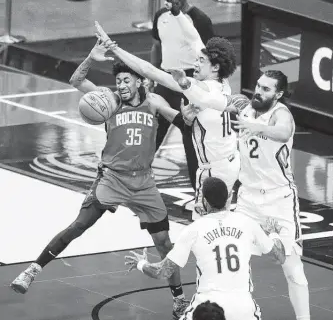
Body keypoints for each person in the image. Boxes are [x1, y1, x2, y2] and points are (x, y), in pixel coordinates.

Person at [10, 40, 188, 319]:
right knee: (79, 225)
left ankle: (179, 299)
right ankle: (32, 270)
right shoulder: (109, 101)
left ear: (141, 81)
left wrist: (190, 109)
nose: (121, 85)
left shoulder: (154, 102)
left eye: (126, 80)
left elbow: (182, 121)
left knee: (164, 242)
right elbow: (76, 79)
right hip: (112, 179)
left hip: (143, 182)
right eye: (118, 80)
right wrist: (91, 58)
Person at [177, 70, 311, 320]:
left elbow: (283, 132)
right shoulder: (244, 105)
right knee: (227, 248)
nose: (259, 92)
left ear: (279, 94)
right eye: (258, 86)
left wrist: (254, 126)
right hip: (248, 197)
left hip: (279, 199)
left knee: (292, 268)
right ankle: (225, 311)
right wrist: (185, 87)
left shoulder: (281, 113)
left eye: (266, 89)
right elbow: (210, 101)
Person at [94, 22, 242, 220]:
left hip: (213, 170)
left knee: (203, 227)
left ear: (215, 67)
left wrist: (114, 48)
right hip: (231, 163)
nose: (194, 63)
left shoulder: (201, 89)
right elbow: (194, 40)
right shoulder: (222, 82)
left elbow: (149, 71)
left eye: (200, 61)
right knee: (222, 219)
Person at [125, 177, 286, 320]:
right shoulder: (247, 222)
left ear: (205, 201)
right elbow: (280, 257)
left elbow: (162, 271)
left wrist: (141, 264)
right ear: (229, 197)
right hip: (244, 308)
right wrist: (274, 235)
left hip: (207, 307)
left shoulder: (194, 229)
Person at [152, 0, 214, 191]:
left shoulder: (200, 20)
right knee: (152, 130)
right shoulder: (160, 15)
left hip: (189, 84)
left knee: (191, 139)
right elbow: (157, 45)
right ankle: (133, 178)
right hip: (164, 80)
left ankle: (200, 192)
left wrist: (204, 87)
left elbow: (210, 57)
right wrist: (152, 75)